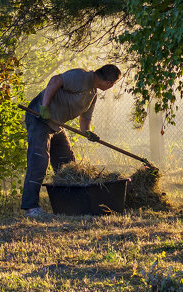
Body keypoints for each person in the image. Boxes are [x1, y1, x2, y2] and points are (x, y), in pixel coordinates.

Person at [22, 64, 121, 218]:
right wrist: (44, 108)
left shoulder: (92, 95)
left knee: (68, 164)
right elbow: (55, 81)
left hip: (56, 124)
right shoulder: (82, 76)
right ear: (109, 83)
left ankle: (70, 205)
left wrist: (88, 133)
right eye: (113, 85)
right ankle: (31, 208)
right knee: (39, 160)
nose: (111, 87)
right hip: (39, 118)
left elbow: (85, 119)